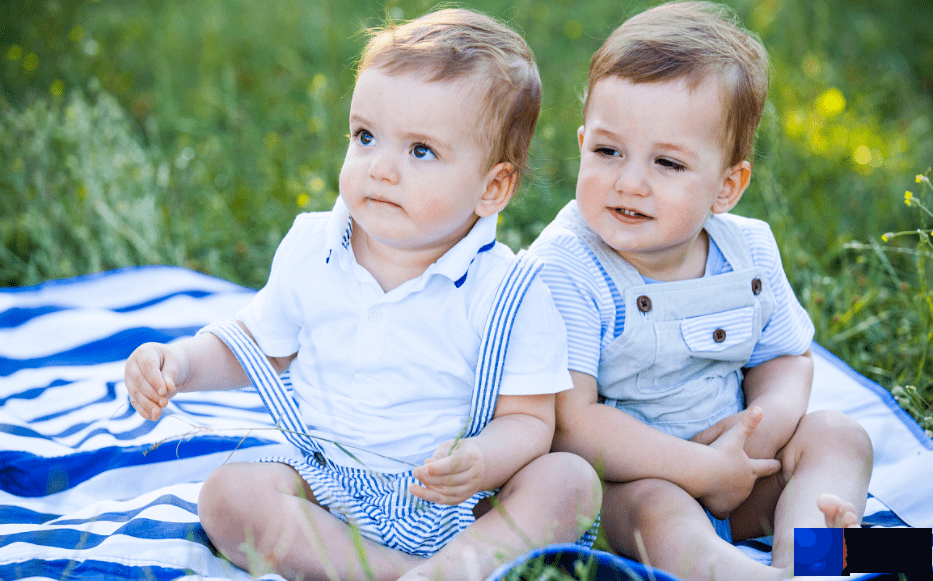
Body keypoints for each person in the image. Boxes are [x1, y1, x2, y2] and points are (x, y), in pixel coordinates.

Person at [124, 9, 600, 581]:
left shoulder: (511, 291)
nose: (380, 168)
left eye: (420, 151)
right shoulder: (313, 249)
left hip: (457, 498)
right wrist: (179, 362)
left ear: (492, 187)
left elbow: (528, 422)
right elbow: (254, 343)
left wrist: (480, 461)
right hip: (329, 482)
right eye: (365, 136)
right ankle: (394, 574)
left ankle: (459, 564)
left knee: (569, 481)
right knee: (229, 494)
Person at [528, 2, 874, 580]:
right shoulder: (565, 265)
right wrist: (700, 469)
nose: (630, 181)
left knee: (838, 433)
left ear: (727, 186)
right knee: (657, 512)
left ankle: (814, 554)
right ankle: (739, 573)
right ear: (583, 141)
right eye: (607, 151)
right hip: (634, 482)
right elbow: (573, 424)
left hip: (739, 470)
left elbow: (787, 359)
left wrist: (752, 435)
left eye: (667, 163)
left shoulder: (750, 251)